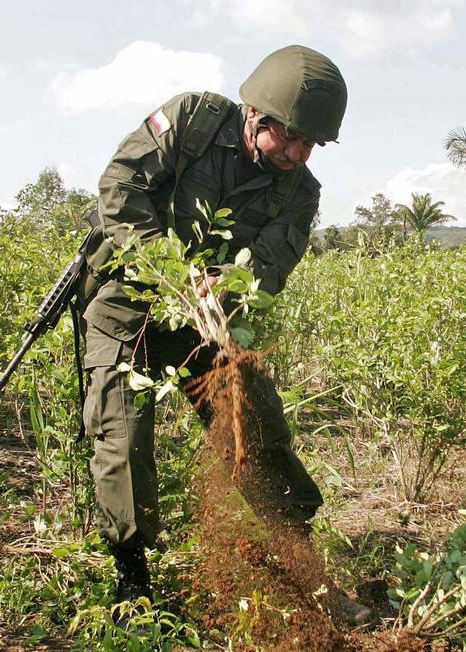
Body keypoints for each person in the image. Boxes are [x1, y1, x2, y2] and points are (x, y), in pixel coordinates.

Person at [81, 45, 370, 625]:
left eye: (308, 144)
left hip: (210, 325)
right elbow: (121, 185)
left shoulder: (300, 192)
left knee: (258, 433)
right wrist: (166, 265)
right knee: (124, 443)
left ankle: (306, 571)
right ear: (255, 116)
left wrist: (226, 285)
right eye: (286, 137)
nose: (295, 153)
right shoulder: (192, 121)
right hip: (131, 307)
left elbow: (271, 264)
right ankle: (133, 579)